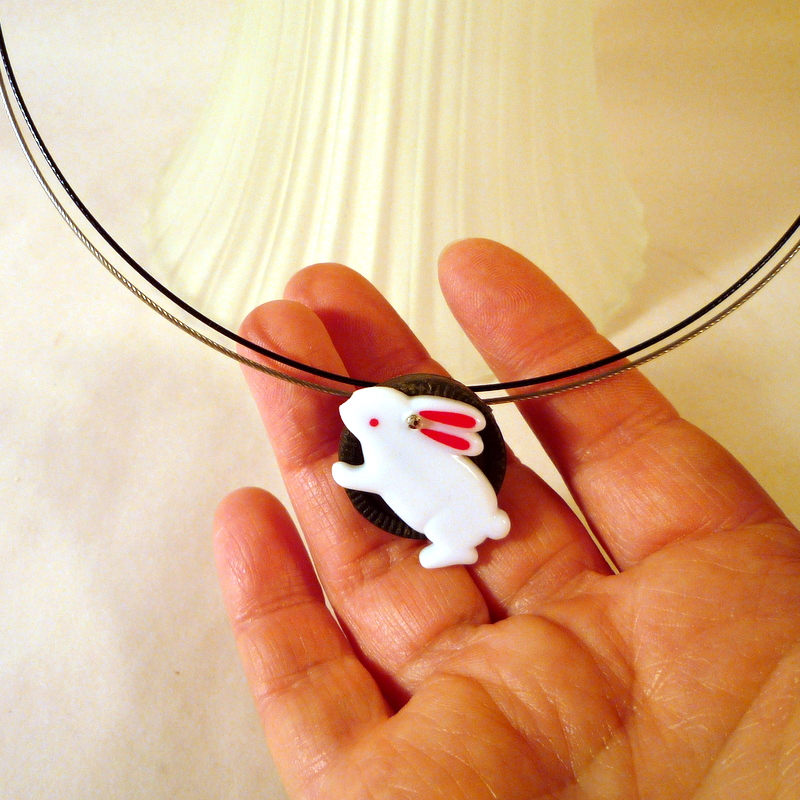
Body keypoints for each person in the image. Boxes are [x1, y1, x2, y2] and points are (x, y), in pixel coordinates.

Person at [213, 239, 800, 799]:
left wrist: (351, 474)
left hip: (456, 514)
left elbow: (377, 478)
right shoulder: (393, 443)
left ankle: (458, 539)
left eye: (366, 424)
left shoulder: (404, 446)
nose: (354, 423)